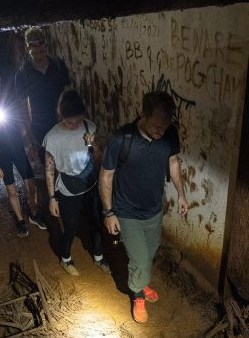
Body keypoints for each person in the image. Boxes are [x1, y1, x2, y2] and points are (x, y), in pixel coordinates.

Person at [99, 91, 188, 323]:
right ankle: (137, 294)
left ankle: (142, 280)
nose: (161, 131)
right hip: (127, 212)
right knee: (139, 259)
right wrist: (109, 212)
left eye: (166, 125)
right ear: (142, 114)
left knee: (149, 254)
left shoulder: (169, 134)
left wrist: (181, 194)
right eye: (157, 125)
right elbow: (106, 176)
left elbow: (173, 161)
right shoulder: (122, 139)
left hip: (154, 210)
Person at [43, 90, 110, 276]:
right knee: (71, 226)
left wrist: (93, 145)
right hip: (67, 188)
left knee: (95, 222)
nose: (74, 126)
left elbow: (96, 159)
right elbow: (49, 168)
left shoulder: (89, 127)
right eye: (69, 122)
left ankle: (98, 257)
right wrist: (52, 197)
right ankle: (65, 259)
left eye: (78, 120)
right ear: (61, 115)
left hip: (89, 182)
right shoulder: (53, 137)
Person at [0, 70, 47, 237]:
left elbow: (23, 122)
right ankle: (20, 220)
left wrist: (30, 144)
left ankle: (34, 214)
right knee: (11, 190)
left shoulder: (10, 101)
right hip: (2, 153)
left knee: (31, 185)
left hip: (18, 149)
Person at [14, 27, 71, 157]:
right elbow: (22, 107)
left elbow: (68, 93)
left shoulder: (58, 65)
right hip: (39, 126)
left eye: (42, 51)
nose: (39, 55)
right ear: (28, 49)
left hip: (62, 121)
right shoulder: (23, 74)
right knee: (47, 163)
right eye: (35, 53)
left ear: (46, 46)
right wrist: (29, 135)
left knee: (66, 159)